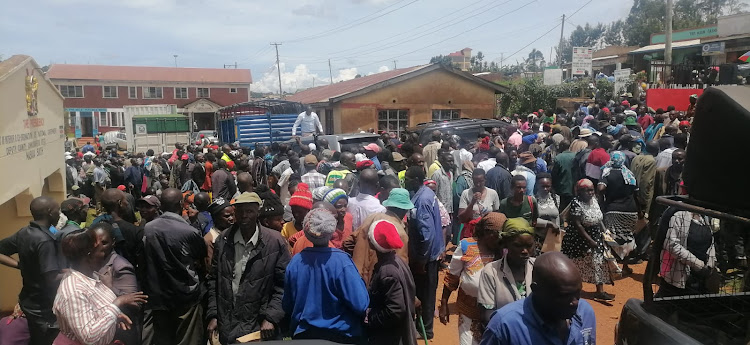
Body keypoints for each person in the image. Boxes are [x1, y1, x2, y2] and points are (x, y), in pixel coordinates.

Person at [206, 192, 290, 343]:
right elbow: (213, 281)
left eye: (249, 211)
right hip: (228, 324)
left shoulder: (275, 242)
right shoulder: (223, 241)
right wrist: (213, 315)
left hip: (258, 326)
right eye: (240, 211)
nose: (244, 215)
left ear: (258, 212)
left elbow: (284, 285)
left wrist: (271, 317)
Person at [283, 208, 370, 342]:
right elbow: (360, 303)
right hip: (340, 336)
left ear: (306, 232)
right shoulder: (342, 262)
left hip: (304, 336)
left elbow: (287, 305)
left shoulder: (296, 262)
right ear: (332, 231)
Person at [53, 228, 147, 345]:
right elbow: (89, 337)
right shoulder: (74, 290)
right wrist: (117, 303)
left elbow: (93, 312)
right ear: (89, 255)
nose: (105, 254)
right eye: (101, 250)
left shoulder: (91, 276)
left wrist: (113, 318)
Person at [480, 252, 596, 345]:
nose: (575, 302)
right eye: (564, 296)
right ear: (536, 289)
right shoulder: (506, 326)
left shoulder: (585, 313)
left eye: (577, 293)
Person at [143, 188, 207, 345]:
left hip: (158, 296)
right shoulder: (189, 231)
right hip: (185, 296)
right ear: (181, 204)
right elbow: (201, 254)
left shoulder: (148, 228)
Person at [0, 196, 64, 345]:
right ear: (49, 212)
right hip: (44, 309)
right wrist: (74, 275)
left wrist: (19, 265)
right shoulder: (44, 241)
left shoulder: (24, 232)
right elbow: (51, 278)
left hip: (28, 301)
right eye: (57, 211)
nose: (59, 214)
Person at [439, 212, 506, 345]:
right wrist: (444, 304)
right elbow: (452, 277)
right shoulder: (466, 246)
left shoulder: (504, 251)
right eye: (497, 235)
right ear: (486, 232)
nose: (500, 239)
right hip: (468, 312)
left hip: (496, 316)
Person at [342, 188, 411, 288]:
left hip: (357, 278)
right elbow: (401, 267)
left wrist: (361, 256)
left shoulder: (371, 218)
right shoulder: (400, 233)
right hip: (379, 285)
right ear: (405, 210)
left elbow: (348, 242)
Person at [405, 166, 443, 340]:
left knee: (425, 295)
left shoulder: (421, 199)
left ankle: (425, 330)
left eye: (407, 177)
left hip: (426, 258)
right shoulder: (426, 193)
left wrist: (420, 261)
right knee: (426, 293)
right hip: (430, 255)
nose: (405, 180)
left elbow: (426, 234)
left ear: (415, 179)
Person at [562, 179, 615, 302]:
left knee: (598, 262)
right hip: (578, 239)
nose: (590, 193)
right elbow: (577, 224)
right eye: (587, 190)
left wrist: (605, 231)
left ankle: (600, 291)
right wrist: (589, 240)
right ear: (579, 192)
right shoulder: (576, 202)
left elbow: (598, 218)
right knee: (576, 264)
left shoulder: (594, 200)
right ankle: (573, 289)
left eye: (592, 190)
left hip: (595, 236)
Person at [366, 219, 417, 345]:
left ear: (372, 244)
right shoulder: (397, 261)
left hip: (391, 337)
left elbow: (396, 309)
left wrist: (370, 317)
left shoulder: (387, 271)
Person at [477, 218, 536, 325]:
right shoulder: (491, 272)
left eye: (529, 246)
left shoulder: (538, 268)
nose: (525, 251)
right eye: (518, 245)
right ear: (505, 245)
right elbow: (487, 316)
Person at [90, 223, 141, 344]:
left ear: (113, 242)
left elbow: (135, 303)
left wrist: (109, 288)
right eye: (94, 242)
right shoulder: (93, 262)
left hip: (120, 330)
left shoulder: (120, 266)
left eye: (104, 242)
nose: (99, 246)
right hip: (101, 328)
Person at [598, 151, 643, 275]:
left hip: (613, 210)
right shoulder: (629, 174)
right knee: (628, 237)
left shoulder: (607, 173)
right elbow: (637, 195)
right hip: (631, 211)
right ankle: (626, 266)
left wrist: (601, 200)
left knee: (610, 238)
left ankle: (612, 266)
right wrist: (640, 212)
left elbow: (601, 188)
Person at [657, 208, 718, 297]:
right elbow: (672, 245)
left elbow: (711, 243)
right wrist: (698, 264)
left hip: (700, 278)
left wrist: (710, 265)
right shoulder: (679, 215)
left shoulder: (704, 217)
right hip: (678, 279)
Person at [457, 169, 501, 240]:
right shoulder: (466, 193)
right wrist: (472, 203)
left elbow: (497, 215)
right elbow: (462, 218)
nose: (478, 184)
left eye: (481, 181)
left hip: (487, 234)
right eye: (475, 182)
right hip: (471, 233)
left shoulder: (493, 193)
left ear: (485, 179)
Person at [534, 173, 560, 247]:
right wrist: (549, 223)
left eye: (547, 186)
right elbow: (532, 220)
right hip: (538, 239)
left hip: (553, 238)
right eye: (543, 186)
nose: (545, 189)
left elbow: (557, 216)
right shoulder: (533, 200)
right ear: (537, 186)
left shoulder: (556, 198)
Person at [551, 139, 575, 210]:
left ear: (561, 146)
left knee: (562, 208)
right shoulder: (576, 156)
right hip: (573, 188)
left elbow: (554, 174)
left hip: (561, 188)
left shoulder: (558, 158)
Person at [431, 151, 455, 219]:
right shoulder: (437, 174)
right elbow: (433, 193)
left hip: (449, 210)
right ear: (442, 161)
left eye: (452, 161)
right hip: (440, 210)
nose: (451, 163)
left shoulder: (451, 174)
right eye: (449, 161)